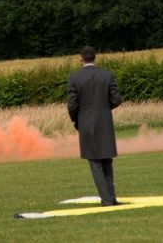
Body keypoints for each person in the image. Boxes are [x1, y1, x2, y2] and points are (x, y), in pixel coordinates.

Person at [67, 46, 122, 206]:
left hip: (86, 123)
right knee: (107, 160)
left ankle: (106, 200)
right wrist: (104, 109)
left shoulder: (74, 78)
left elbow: (72, 105)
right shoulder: (107, 75)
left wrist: (77, 119)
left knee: (95, 162)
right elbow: (116, 99)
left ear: (81, 59)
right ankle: (111, 198)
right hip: (105, 121)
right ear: (95, 58)